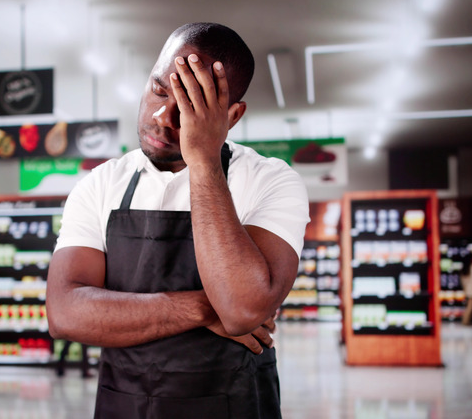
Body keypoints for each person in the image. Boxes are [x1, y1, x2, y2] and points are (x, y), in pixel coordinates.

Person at [46, 22, 309, 418]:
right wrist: (206, 308)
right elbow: (64, 312)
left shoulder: (270, 180)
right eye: (158, 90)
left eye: (191, 105)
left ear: (232, 115)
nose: (164, 117)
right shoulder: (101, 184)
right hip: (125, 406)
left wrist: (203, 159)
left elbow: (240, 309)